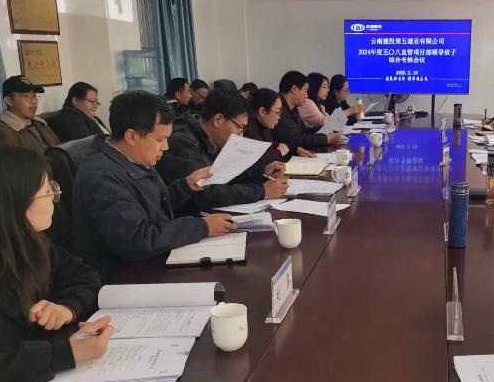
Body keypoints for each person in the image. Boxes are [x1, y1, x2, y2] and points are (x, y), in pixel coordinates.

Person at [0, 144, 113, 382]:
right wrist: (65, 354)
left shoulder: (30, 244)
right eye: (46, 191)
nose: (54, 198)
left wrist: (66, 308)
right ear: (16, 202)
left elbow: (84, 275)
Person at [73, 91, 236, 276]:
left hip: (153, 259)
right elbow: (136, 240)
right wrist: (202, 227)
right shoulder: (100, 176)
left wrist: (185, 185)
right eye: (160, 139)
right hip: (125, 275)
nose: (166, 147)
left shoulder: (132, 156)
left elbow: (153, 206)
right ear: (131, 136)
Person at [156, 88, 288, 211]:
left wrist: (262, 172)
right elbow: (205, 193)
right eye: (239, 127)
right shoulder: (182, 142)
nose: (241, 135)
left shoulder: (211, 138)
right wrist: (261, 191)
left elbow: (227, 173)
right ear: (218, 120)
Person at [0, 76, 60, 154]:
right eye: (27, 96)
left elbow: (61, 149)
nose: (34, 101)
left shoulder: (41, 124)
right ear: (9, 101)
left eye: (34, 95)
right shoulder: (3, 132)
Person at [273, 71, 345, 149]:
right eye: (305, 91)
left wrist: (327, 134)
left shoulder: (293, 108)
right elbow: (294, 139)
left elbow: (304, 131)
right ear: (294, 89)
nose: (307, 95)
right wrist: (325, 139)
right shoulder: (278, 109)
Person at [246, 88, 316, 167]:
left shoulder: (262, 123)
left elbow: (271, 145)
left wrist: (296, 150)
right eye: (277, 112)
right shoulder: (247, 129)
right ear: (262, 111)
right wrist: (279, 153)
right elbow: (256, 163)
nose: (279, 117)